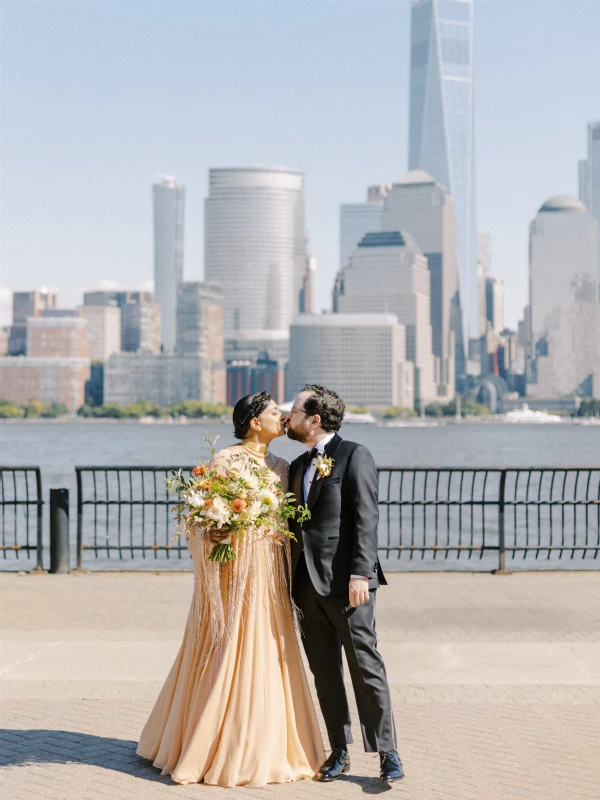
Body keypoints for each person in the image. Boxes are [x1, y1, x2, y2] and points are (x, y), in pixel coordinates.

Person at [137, 392, 325, 787]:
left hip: (270, 574)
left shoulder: (283, 467)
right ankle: (209, 739)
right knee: (228, 645)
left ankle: (268, 742)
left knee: (269, 647)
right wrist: (213, 529)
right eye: (276, 413)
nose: (284, 418)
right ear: (255, 422)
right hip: (234, 573)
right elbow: (201, 518)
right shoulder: (225, 460)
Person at [286, 384, 404, 783]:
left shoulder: (354, 455)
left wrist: (361, 574)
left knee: (365, 666)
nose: (289, 416)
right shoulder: (298, 466)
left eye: (295, 410)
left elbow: (365, 519)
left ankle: (387, 752)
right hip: (305, 587)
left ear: (314, 419)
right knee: (325, 672)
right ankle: (339, 749)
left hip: (347, 585)